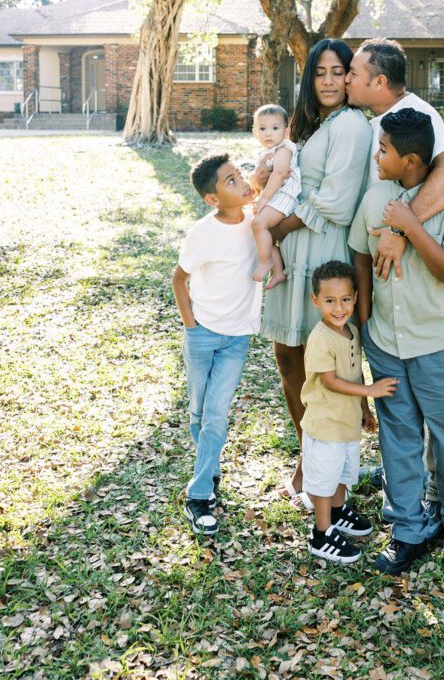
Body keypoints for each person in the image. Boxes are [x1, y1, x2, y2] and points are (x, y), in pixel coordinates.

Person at [349, 107, 444, 575]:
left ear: (409, 160)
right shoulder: (374, 199)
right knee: (398, 437)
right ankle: (409, 527)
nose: (376, 154)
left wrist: (409, 226)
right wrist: (365, 326)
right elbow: (361, 260)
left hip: (439, 343)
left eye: (382, 148)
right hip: (386, 341)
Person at [260, 38, 373, 503]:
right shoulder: (311, 127)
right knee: (287, 355)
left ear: (350, 77)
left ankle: (324, 469)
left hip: (321, 248)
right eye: (319, 72)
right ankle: (309, 453)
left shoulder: (351, 125)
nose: (328, 80)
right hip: (295, 246)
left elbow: (336, 202)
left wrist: (278, 230)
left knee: (318, 359)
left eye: (337, 71)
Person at [171, 153, 262, 537]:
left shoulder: (257, 221)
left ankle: (199, 495)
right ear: (212, 198)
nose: (240, 182)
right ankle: (210, 468)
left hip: (236, 338)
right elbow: (179, 279)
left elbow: (269, 179)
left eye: (239, 175)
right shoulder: (202, 233)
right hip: (203, 333)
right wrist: (191, 326)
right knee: (198, 412)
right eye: (229, 181)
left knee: (215, 414)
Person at [345, 38, 444, 281]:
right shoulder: (378, 119)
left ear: (379, 82)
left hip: (410, 270)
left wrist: (399, 229)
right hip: (376, 262)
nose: (346, 79)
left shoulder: (415, 114)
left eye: (353, 73)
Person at [301, 261, 398, 563]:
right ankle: (321, 533)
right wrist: (371, 391)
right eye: (329, 301)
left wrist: (364, 408)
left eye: (345, 299)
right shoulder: (320, 337)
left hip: (346, 424)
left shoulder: (351, 331)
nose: (339, 307)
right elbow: (330, 381)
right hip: (325, 424)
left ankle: (338, 511)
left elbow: (354, 374)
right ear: (315, 301)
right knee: (324, 480)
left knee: (342, 473)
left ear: (355, 298)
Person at [250, 103, 301, 288]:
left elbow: (279, 173)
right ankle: (278, 271)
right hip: (275, 195)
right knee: (264, 233)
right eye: (262, 128)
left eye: (275, 128)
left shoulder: (284, 148)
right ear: (255, 132)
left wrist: (264, 199)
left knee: (258, 224)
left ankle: (265, 262)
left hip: (285, 196)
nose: (268, 133)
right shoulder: (267, 152)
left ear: (286, 131)